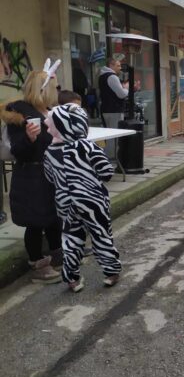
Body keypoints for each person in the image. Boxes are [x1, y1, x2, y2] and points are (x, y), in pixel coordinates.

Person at [44, 104, 122, 291]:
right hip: (91, 200)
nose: (46, 126)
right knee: (101, 234)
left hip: (65, 202)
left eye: (50, 124)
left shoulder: (49, 152)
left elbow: (49, 177)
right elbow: (106, 172)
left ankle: (72, 279)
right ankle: (111, 273)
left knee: (71, 239)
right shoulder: (87, 146)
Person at [0, 69, 62, 283]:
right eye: (54, 87)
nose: (57, 91)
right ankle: (37, 263)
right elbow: (17, 151)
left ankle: (58, 253)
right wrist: (29, 138)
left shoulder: (49, 111)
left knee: (54, 217)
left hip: (51, 172)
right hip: (31, 175)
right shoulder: (20, 114)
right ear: (43, 90)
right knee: (35, 221)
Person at [99, 58, 128, 158]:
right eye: (118, 66)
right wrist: (126, 88)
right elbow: (121, 94)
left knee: (109, 134)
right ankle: (112, 156)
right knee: (114, 135)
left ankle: (110, 155)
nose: (120, 68)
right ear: (111, 65)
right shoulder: (112, 76)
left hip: (106, 109)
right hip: (114, 110)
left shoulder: (102, 76)